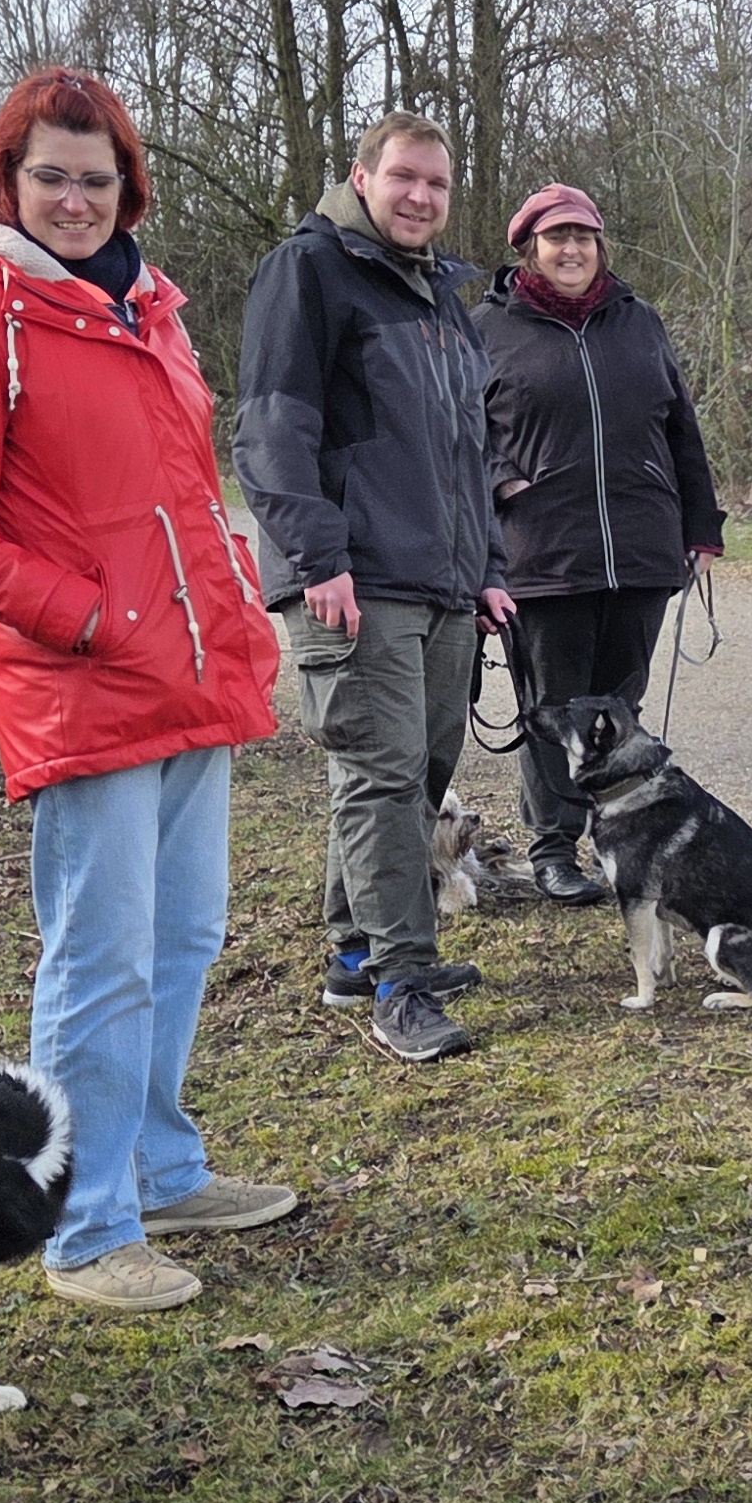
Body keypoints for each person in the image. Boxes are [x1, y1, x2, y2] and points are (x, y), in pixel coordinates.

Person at [0, 69, 291, 1314]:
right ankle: (80, 1221)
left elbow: (183, 498)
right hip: (87, 686)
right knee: (101, 963)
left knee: (184, 938)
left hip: (190, 673)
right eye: (51, 176)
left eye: (96, 178)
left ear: (129, 188)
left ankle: (159, 1168)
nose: (75, 199)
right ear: (6, 181)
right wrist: (91, 619)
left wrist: (232, 611)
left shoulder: (146, 305)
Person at [236, 111, 511, 1062]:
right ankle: (404, 981)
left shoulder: (440, 295)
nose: (421, 197)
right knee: (382, 776)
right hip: (352, 576)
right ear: (362, 177)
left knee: (418, 773)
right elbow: (271, 431)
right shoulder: (308, 271)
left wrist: (488, 569)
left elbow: (468, 453)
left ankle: (355, 955)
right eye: (404, 178)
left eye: (437, 184)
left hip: (441, 580)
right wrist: (320, 558)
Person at [474, 181, 726, 903]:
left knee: (620, 706)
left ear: (599, 246)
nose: (572, 249)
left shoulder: (637, 320)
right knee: (554, 707)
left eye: (582, 236)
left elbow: (680, 427)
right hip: (543, 554)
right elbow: (458, 435)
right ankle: (554, 848)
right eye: (557, 237)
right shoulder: (486, 329)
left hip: (643, 549)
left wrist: (701, 524)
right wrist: (501, 482)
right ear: (530, 249)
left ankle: (624, 836)